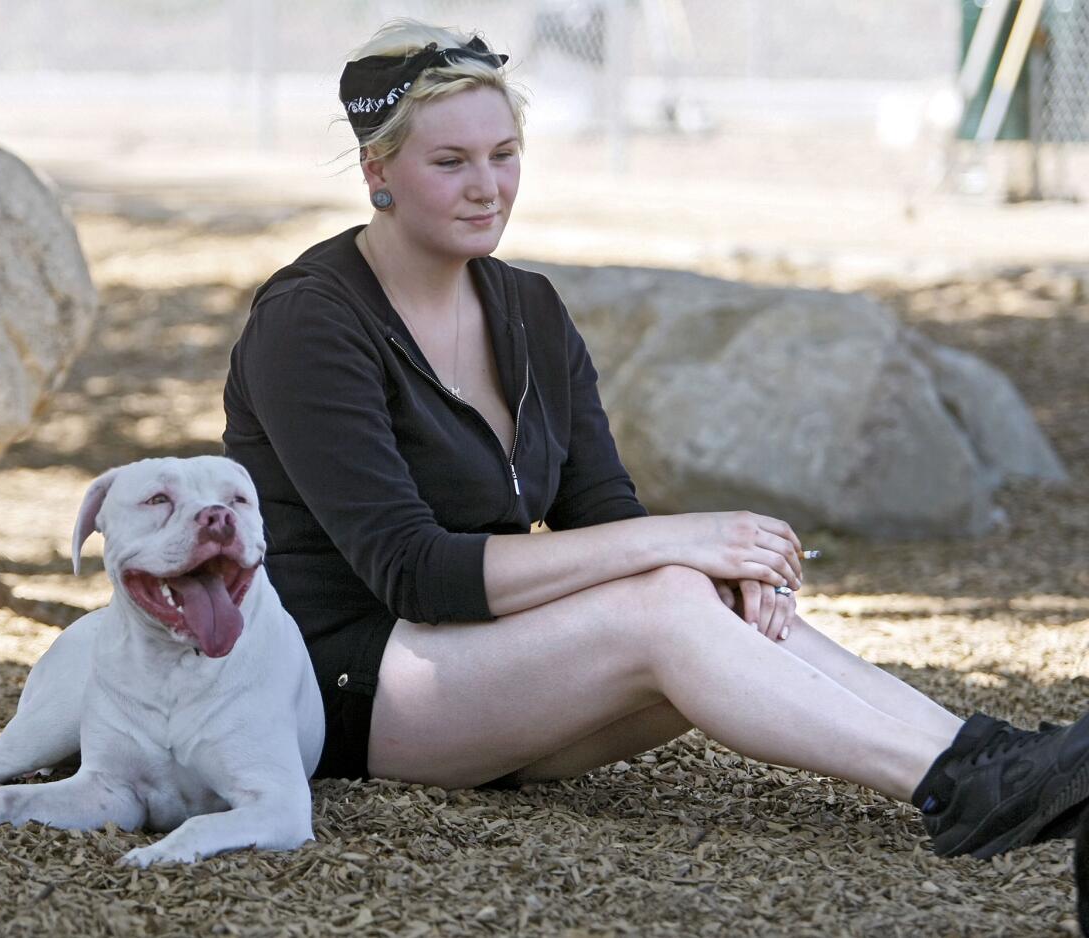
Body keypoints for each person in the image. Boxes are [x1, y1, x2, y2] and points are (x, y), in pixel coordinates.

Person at [222, 19, 1089, 861]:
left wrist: (717, 569)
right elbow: (415, 573)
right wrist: (684, 541)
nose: (486, 187)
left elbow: (602, 512)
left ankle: (990, 756)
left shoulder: (529, 311)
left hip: (484, 681)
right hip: (339, 687)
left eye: (504, 154)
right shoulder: (310, 323)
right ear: (379, 171)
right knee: (666, 589)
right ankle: (953, 786)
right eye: (449, 163)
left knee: (689, 588)